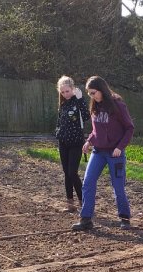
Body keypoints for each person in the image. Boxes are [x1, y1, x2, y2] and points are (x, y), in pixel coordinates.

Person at [72, 76, 134, 231]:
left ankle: (125, 217)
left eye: (93, 93)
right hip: (98, 151)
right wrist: (89, 141)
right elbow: (96, 130)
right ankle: (86, 218)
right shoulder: (95, 106)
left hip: (115, 153)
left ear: (101, 90)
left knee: (118, 186)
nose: (91, 96)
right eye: (89, 94)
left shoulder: (118, 105)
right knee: (88, 182)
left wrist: (120, 147)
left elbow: (129, 128)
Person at [55, 75, 90, 212]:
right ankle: (70, 204)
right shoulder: (63, 104)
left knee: (72, 172)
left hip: (76, 142)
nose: (65, 94)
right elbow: (59, 121)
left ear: (73, 89)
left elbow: (86, 116)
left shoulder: (78, 101)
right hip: (63, 142)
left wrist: (80, 99)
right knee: (66, 173)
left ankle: (83, 202)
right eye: (62, 92)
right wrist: (58, 133)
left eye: (67, 91)